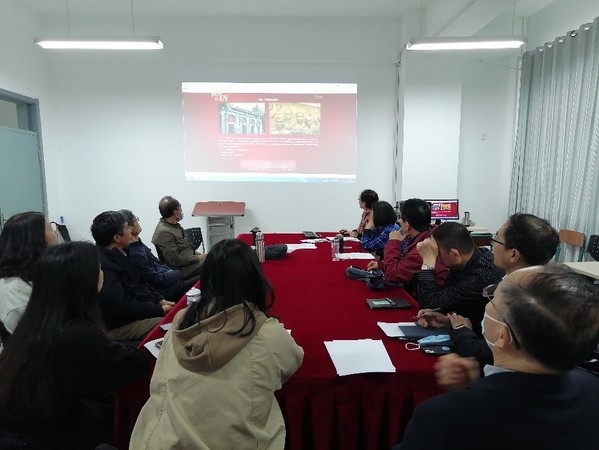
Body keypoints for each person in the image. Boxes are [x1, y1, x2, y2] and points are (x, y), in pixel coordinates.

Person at [399, 264, 599, 449]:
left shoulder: (442, 416)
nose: (488, 303)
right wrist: (476, 388)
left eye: (492, 299)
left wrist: (469, 398)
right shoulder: (591, 388)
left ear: (502, 336)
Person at [130, 239, 304, 449]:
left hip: (163, 441)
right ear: (256, 278)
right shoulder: (265, 333)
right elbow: (293, 361)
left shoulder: (182, 321)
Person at [0, 242, 151, 448]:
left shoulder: (35, 322)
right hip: (48, 435)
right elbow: (134, 365)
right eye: (98, 268)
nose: (101, 273)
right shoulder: (73, 333)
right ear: (82, 281)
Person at [418, 214, 559, 366]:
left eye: (495, 239)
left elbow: (490, 351)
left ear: (513, 255)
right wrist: (454, 323)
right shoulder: (525, 282)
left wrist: (460, 330)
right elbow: (497, 330)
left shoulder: (522, 296)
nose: (492, 246)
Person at [92, 211, 173, 341]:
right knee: (172, 326)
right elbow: (123, 306)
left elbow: (141, 282)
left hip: (142, 310)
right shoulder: (104, 267)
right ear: (117, 238)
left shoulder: (124, 251)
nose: (131, 229)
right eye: (127, 228)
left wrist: (160, 300)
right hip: (121, 325)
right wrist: (159, 310)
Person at [415, 222, 504, 332]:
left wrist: (427, 263)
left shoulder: (482, 274)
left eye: (437, 254)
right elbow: (438, 304)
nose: (436, 259)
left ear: (455, 255)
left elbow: (429, 304)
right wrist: (446, 321)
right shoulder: (469, 257)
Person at [366, 198, 448, 296]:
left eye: (401, 218)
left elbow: (392, 276)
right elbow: (406, 262)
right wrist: (382, 265)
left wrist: (393, 242)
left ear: (407, 225)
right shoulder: (427, 235)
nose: (399, 221)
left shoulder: (422, 248)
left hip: (422, 299)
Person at [0, 212, 59, 346]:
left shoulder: (44, 273)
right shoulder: (12, 289)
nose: (55, 233)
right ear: (36, 240)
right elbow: (40, 338)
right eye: (50, 228)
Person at [120, 209, 199, 302]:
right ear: (129, 227)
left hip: (172, 279)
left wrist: (172, 272)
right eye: (136, 220)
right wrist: (178, 273)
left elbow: (157, 263)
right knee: (206, 277)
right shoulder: (135, 254)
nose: (138, 221)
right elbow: (157, 280)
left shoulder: (138, 244)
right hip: (168, 290)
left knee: (207, 270)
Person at [151, 196, 206, 279]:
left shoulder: (174, 226)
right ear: (175, 212)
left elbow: (186, 247)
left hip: (189, 260)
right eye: (180, 210)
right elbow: (176, 260)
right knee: (215, 264)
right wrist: (200, 257)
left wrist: (202, 255)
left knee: (216, 259)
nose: (181, 212)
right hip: (183, 269)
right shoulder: (164, 232)